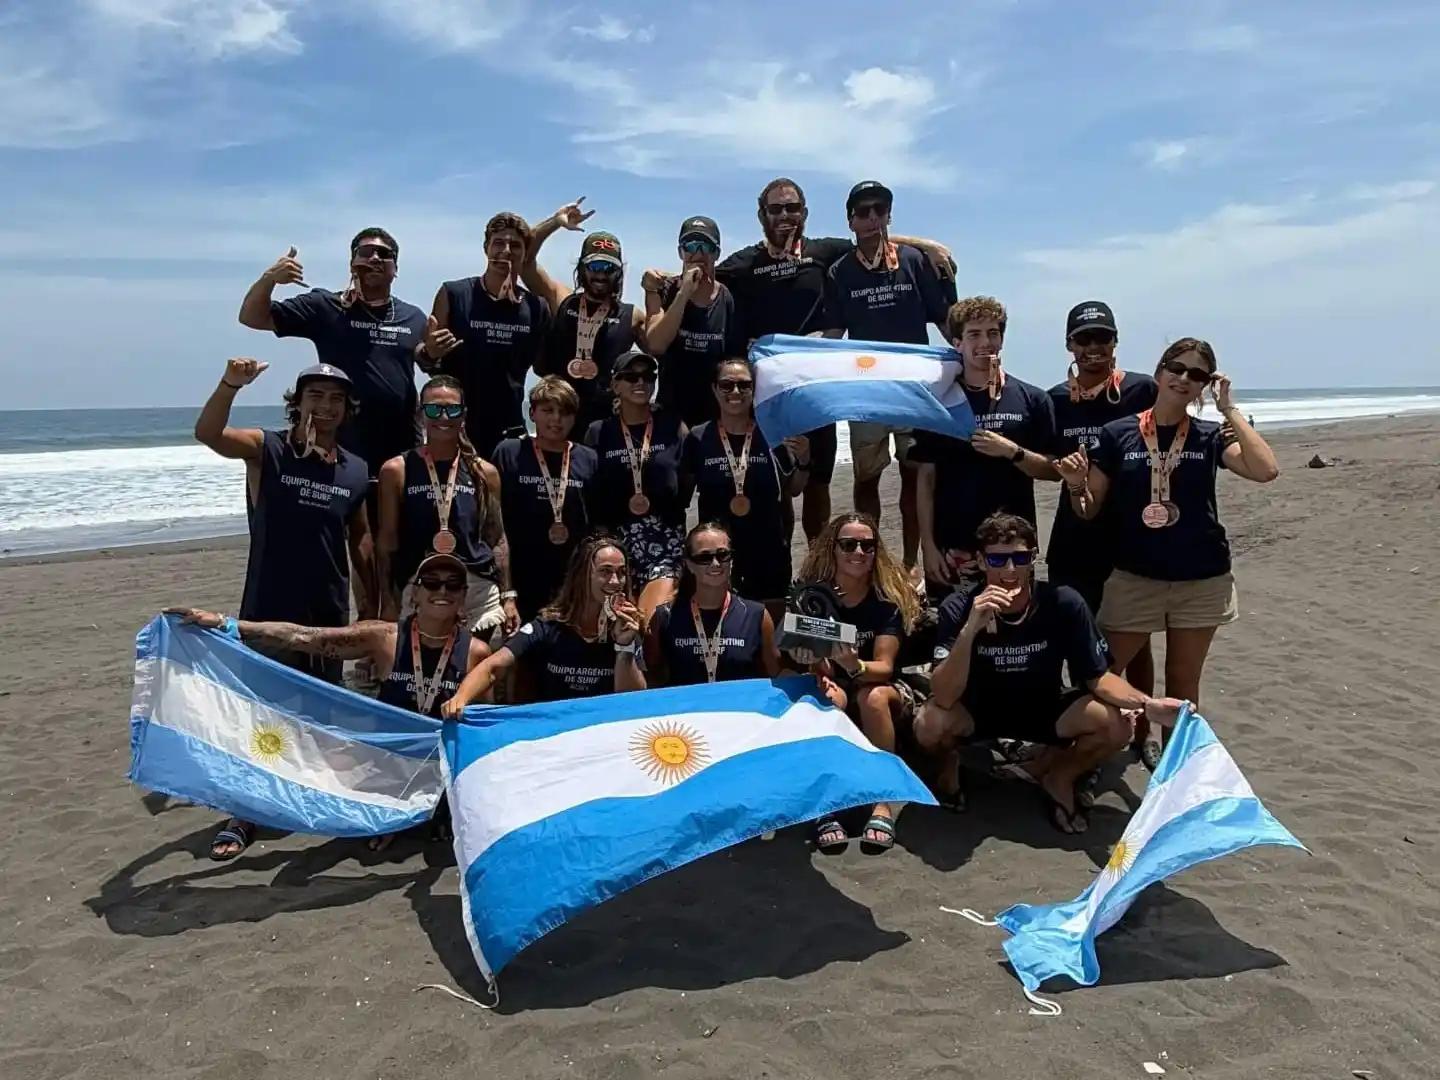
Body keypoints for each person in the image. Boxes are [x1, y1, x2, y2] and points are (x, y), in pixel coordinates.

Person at [647, 178, 954, 543]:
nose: (785, 215)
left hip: (815, 385)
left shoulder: (825, 252)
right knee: (779, 482)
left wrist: (927, 245)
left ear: (804, 213)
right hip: (769, 390)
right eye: (776, 209)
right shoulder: (745, 264)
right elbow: (702, 270)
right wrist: (660, 279)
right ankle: (777, 556)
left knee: (818, 482)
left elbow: (870, 236)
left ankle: (816, 562)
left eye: (792, 208)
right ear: (762, 215)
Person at [170, 551, 492, 852]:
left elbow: (482, 728)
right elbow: (305, 637)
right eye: (432, 583)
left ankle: (438, 811)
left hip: (442, 768)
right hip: (390, 764)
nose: (442, 591)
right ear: (415, 595)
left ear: (463, 596)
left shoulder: (477, 653)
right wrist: (226, 624)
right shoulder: (386, 638)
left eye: (453, 585)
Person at [1057, 338, 1279, 769]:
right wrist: (1076, 482)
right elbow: (1088, 510)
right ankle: (1080, 762)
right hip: (1135, 577)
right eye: (1176, 368)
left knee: (1182, 689)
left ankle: (1175, 776)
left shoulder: (1209, 435)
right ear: (1159, 372)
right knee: (1099, 677)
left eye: (1197, 374)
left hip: (1202, 578)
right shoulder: (1117, 433)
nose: (1183, 379)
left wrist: (1229, 409)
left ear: (1205, 385)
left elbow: (1265, 470)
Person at [190, 357, 374, 859]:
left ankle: (306, 794)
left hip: (328, 611)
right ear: (298, 402)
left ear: (347, 409)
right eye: (316, 396)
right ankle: (246, 812)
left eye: (336, 399)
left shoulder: (355, 468)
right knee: (261, 713)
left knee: (318, 711)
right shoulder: (268, 448)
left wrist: (371, 606)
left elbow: (360, 541)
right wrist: (230, 384)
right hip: (268, 606)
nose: (326, 406)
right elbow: (208, 433)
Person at [915, 513, 1186, 834]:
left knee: (1116, 725)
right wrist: (970, 629)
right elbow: (944, 695)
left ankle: (1060, 776)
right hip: (979, 710)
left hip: (1043, 706)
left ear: (1033, 558)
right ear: (981, 561)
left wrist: (1146, 704)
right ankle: (949, 763)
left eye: (1020, 558)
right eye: (998, 560)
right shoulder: (958, 607)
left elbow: (1098, 677)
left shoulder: (1062, 602)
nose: (1010, 570)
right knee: (928, 724)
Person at [237, 230, 428, 601]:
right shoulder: (326, 306)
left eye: (384, 254)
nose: (375, 259)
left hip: (399, 450)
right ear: (352, 262)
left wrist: (433, 355)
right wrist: (270, 279)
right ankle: (355, 620)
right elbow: (252, 317)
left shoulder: (413, 316)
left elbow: (430, 361)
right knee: (347, 548)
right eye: (366, 252)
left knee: (394, 548)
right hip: (338, 451)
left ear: (395, 268)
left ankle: (388, 622)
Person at [822, 180, 952, 570]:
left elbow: (945, 320)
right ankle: (873, 565)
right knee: (866, 481)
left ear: (889, 215)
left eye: (880, 209)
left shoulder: (914, 261)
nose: (872, 217)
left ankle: (911, 566)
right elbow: (833, 334)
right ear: (851, 221)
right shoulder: (840, 271)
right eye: (863, 211)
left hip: (914, 388)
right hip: (866, 391)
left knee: (914, 478)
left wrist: (975, 354)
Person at [1046, 301, 1158, 707]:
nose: (1093, 347)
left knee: (1137, 640)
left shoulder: (1142, 391)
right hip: (1072, 539)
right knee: (1077, 636)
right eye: (1083, 339)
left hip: (1130, 538)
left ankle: (1142, 727)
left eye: (1102, 337)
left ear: (1116, 341)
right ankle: (1090, 724)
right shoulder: (1056, 400)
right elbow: (1046, 462)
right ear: (1069, 345)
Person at [790, 513, 922, 855]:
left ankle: (882, 799)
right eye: (849, 545)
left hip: (882, 687)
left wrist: (855, 664)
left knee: (872, 697)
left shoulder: (885, 601)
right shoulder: (813, 598)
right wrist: (810, 658)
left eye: (867, 545)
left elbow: (885, 668)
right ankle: (827, 803)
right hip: (836, 683)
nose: (858, 552)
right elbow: (813, 662)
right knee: (825, 698)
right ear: (833, 549)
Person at [911, 296, 1057, 596]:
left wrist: (1013, 451)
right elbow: (925, 479)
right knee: (953, 621)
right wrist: (928, 546)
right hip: (953, 546)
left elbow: (1052, 471)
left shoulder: (1032, 399)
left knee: (1013, 619)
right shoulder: (938, 403)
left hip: (1013, 547)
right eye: (974, 334)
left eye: (992, 333)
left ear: (1002, 339)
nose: (985, 343)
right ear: (957, 343)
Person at [375, 376, 518, 639]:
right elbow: (387, 543)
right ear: (420, 415)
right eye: (433, 409)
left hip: (476, 590)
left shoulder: (484, 472)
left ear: (463, 415)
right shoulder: (397, 470)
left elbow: (496, 538)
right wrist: (386, 600)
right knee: (421, 662)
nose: (443, 416)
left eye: (452, 409)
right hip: (422, 588)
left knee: (475, 662)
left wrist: (508, 596)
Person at [442, 537, 646, 712]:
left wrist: (624, 648)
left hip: (599, 729)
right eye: (605, 571)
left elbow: (634, 701)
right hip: (552, 730)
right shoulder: (547, 627)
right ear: (582, 576)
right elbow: (493, 667)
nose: (615, 581)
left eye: (621, 572)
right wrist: (461, 698)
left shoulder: (626, 627)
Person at [417, 212, 550, 458]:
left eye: (515, 245)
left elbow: (542, 367)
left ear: (525, 253)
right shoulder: (454, 294)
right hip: (456, 427)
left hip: (510, 430)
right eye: (498, 243)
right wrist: (429, 353)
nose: (506, 251)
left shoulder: (536, 307)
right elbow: (426, 359)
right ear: (486, 247)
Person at [680, 358, 810, 609]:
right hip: (718, 555)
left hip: (767, 549)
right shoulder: (698, 437)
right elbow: (683, 496)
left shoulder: (772, 433)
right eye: (727, 385)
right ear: (714, 389)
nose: (736, 392)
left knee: (770, 622)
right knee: (721, 622)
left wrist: (804, 460)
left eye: (744, 385)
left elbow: (794, 488)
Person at [523, 198, 648, 430]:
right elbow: (525, 261)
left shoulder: (632, 316)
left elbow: (661, 348)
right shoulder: (560, 299)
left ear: (619, 273)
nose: (601, 275)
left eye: (609, 268)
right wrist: (555, 223)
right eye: (595, 266)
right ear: (581, 267)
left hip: (606, 427)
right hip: (558, 421)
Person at [583, 351, 687, 617]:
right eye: (631, 377)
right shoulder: (598, 432)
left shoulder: (674, 427)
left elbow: (688, 478)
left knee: (653, 618)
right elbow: (591, 490)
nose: (640, 382)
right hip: (615, 543)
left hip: (665, 542)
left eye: (647, 376)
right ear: (615, 385)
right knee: (617, 622)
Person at [490, 376, 600, 621]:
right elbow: (495, 524)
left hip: (572, 579)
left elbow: (596, 523)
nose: (556, 419)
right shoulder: (509, 452)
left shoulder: (589, 459)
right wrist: (506, 591)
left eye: (564, 412)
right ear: (532, 413)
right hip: (522, 576)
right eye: (548, 410)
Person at [644, 522, 780, 685]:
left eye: (722, 555)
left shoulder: (756, 616)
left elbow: (776, 674)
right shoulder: (665, 616)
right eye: (704, 558)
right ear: (689, 564)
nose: (715, 564)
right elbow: (651, 678)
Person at [642, 216, 744, 429]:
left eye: (705, 246)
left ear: (716, 253)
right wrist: (684, 294)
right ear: (680, 252)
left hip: (712, 418)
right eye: (690, 246)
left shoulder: (727, 299)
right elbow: (656, 345)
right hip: (669, 414)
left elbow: (732, 360)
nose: (697, 253)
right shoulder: (663, 290)